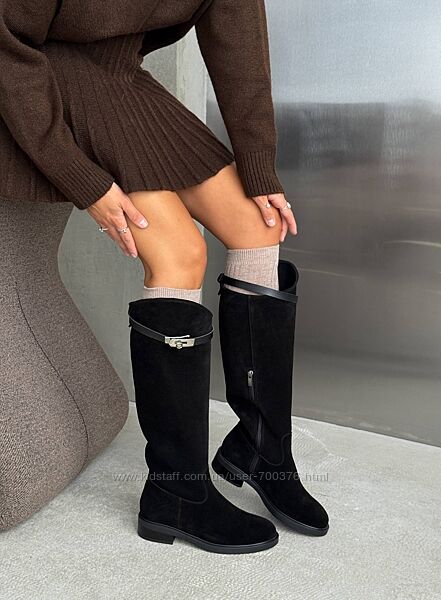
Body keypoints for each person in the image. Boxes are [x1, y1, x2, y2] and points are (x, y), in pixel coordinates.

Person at [0, 0, 328, 553]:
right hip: (39, 80)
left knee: (259, 226)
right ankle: (176, 491)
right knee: (180, 253)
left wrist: (260, 168)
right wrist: (82, 178)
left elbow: (240, 51)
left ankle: (262, 448)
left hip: (120, 82)